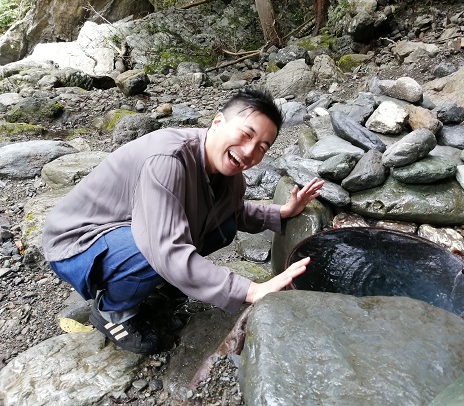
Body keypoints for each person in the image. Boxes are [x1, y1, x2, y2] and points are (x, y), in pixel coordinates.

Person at [42, 88, 324, 354]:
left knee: (222, 227)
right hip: (77, 243)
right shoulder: (168, 159)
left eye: (262, 146)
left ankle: (154, 286)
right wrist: (251, 290)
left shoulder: (230, 176)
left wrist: (280, 213)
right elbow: (164, 248)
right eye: (246, 134)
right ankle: (112, 311)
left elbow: (233, 213)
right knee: (150, 250)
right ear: (217, 122)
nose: (250, 151)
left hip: (128, 229)